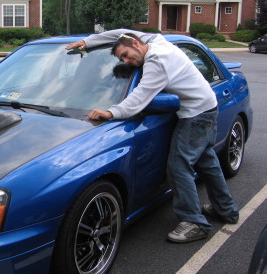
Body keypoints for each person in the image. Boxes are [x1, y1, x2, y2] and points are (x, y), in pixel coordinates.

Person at [66, 29, 239, 243]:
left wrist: (111, 112)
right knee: (207, 162)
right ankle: (227, 210)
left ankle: (195, 223)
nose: (127, 61)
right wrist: (87, 41)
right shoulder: (153, 40)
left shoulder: (156, 61)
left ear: (136, 45)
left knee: (178, 166)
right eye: (122, 59)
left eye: (127, 55)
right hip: (206, 105)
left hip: (197, 114)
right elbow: (120, 33)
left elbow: (140, 98)